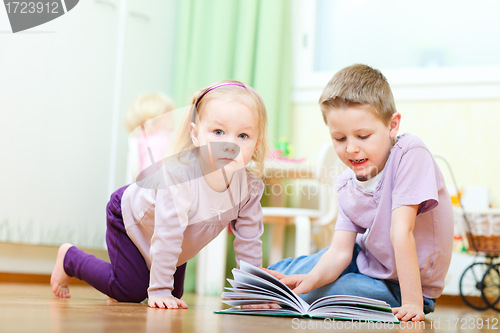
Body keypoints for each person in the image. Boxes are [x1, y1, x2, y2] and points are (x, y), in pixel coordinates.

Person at [50, 80, 270, 310]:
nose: (230, 145)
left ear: (257, 143)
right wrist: (159, 290)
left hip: (170, 235)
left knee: (175, 294)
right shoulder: (180, 177)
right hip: (129, 215)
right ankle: (69, 259)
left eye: (243, 136)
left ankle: (126, 281)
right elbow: (168, 233)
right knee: (133, 291)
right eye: (218, 132)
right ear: (196, 136)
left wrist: (252, 295)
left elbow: (249, 242)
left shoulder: (249, 188)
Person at [265, 64, 454, 322]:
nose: (351, 148)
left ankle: (273, 296)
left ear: (392, 125)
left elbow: (402, 231)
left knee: (321, 294)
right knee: (292, 274)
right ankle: (260, 288)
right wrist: (310, 278)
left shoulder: (411, 153)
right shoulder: (345, 184)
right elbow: (339, 252)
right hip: (361, 260)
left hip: (404, 287)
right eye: (340, 139)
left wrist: (412, 303)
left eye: (363, 136)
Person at [124, 92, 176, 182]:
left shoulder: (142, 140)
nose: (173, 121)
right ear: (154, 120)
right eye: (169, 117)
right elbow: (151, 173)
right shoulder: (158, 142)